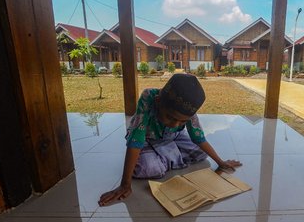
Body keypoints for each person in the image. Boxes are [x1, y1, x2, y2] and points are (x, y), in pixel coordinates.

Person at [99, 73, 241, 206]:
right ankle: (166, 154)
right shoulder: (148, 97)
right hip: (147, 138)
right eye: (170, 117)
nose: (175, 124)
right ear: (158, 101)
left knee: (200, 154)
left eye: (182, 122)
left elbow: (198, 138)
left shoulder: (187, 110)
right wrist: (125, 184)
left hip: (174, 137)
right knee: (150, 169)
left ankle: (164, 154)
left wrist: (220, 162)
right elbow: (136, 141)